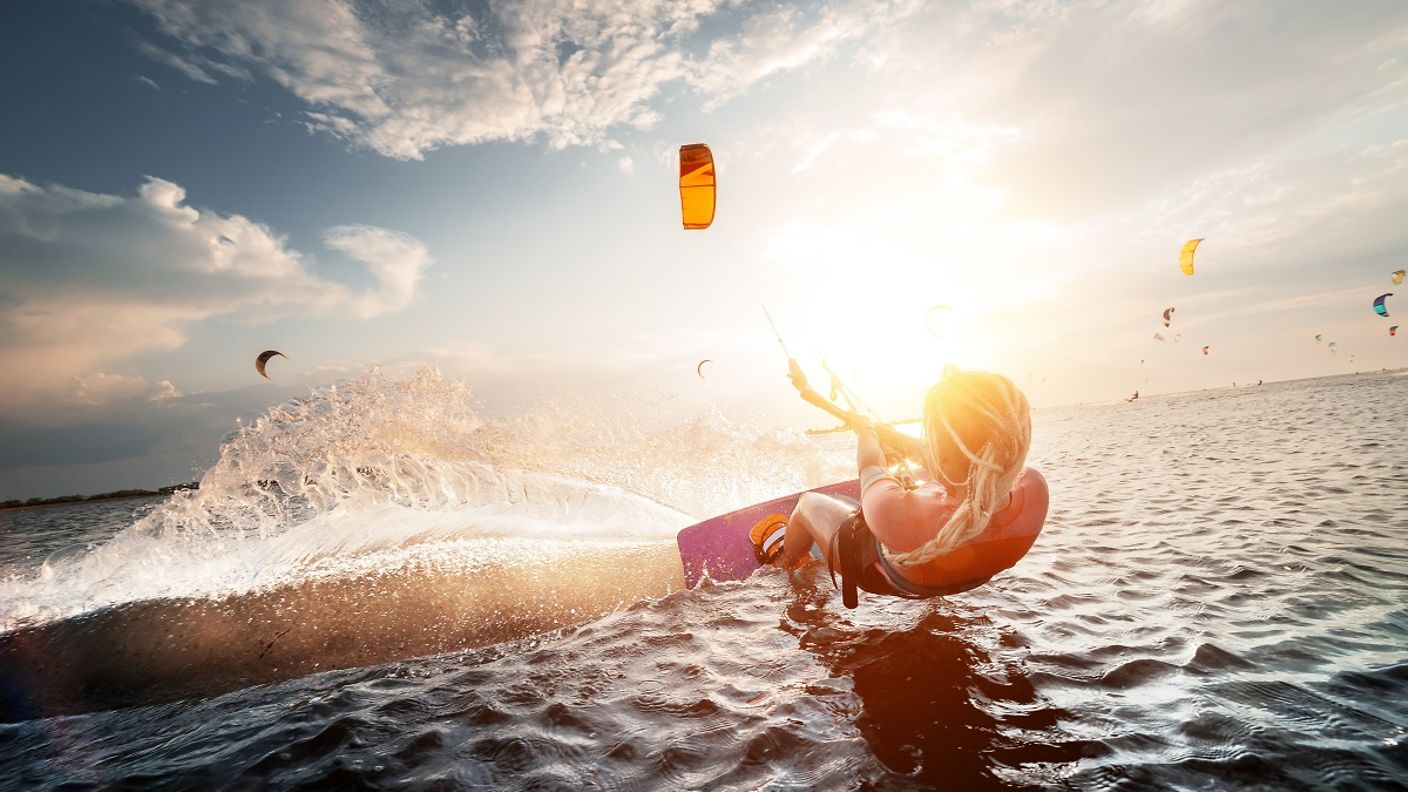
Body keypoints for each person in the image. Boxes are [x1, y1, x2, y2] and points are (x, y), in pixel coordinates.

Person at [753, 364, 1048, 608]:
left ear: (940, 453)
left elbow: (870, 462)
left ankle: (783, 563)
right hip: (950, 577)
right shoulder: (1035, 491)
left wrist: (866, 432)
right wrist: (879, 431)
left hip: (876, 575)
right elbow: (956, 460)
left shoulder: (896, 512)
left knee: (806, 503)